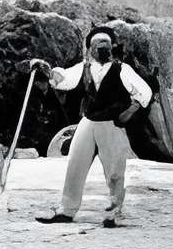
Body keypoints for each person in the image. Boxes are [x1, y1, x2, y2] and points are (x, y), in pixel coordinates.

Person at [29, 25, 154, 228]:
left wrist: (130, 110)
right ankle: (67, 209)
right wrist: (46, 70)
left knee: (114, 171)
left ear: (112, 47)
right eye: (97, 44)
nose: (101, 47)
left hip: (111, 124)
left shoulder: (122, 69)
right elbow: (63, 80)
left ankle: (114, 211)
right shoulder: (83, 68)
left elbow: (145, 92)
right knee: (75, 165)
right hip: (88, 121)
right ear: (90, 48)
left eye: (105, 43)